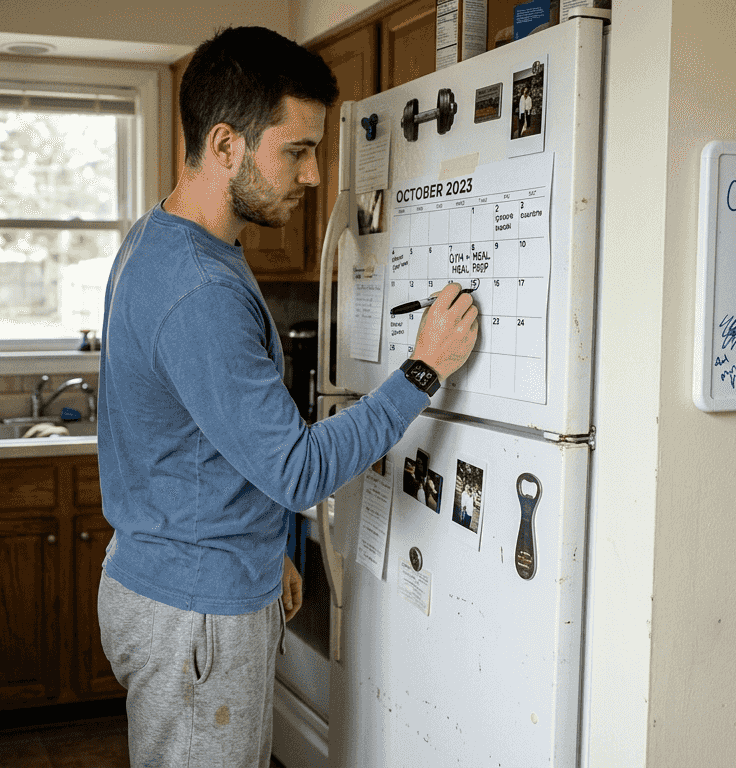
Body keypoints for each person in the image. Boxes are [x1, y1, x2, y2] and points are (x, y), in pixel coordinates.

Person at [96, 25, 479, 768]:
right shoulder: (200, 289)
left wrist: (263, 548)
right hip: (196, 611)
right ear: (225, 144)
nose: (313, 176)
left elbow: (204, 443)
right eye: (297, 151)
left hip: (187, 581)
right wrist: (424, 368)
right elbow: (299, 471)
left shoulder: (167, 238)